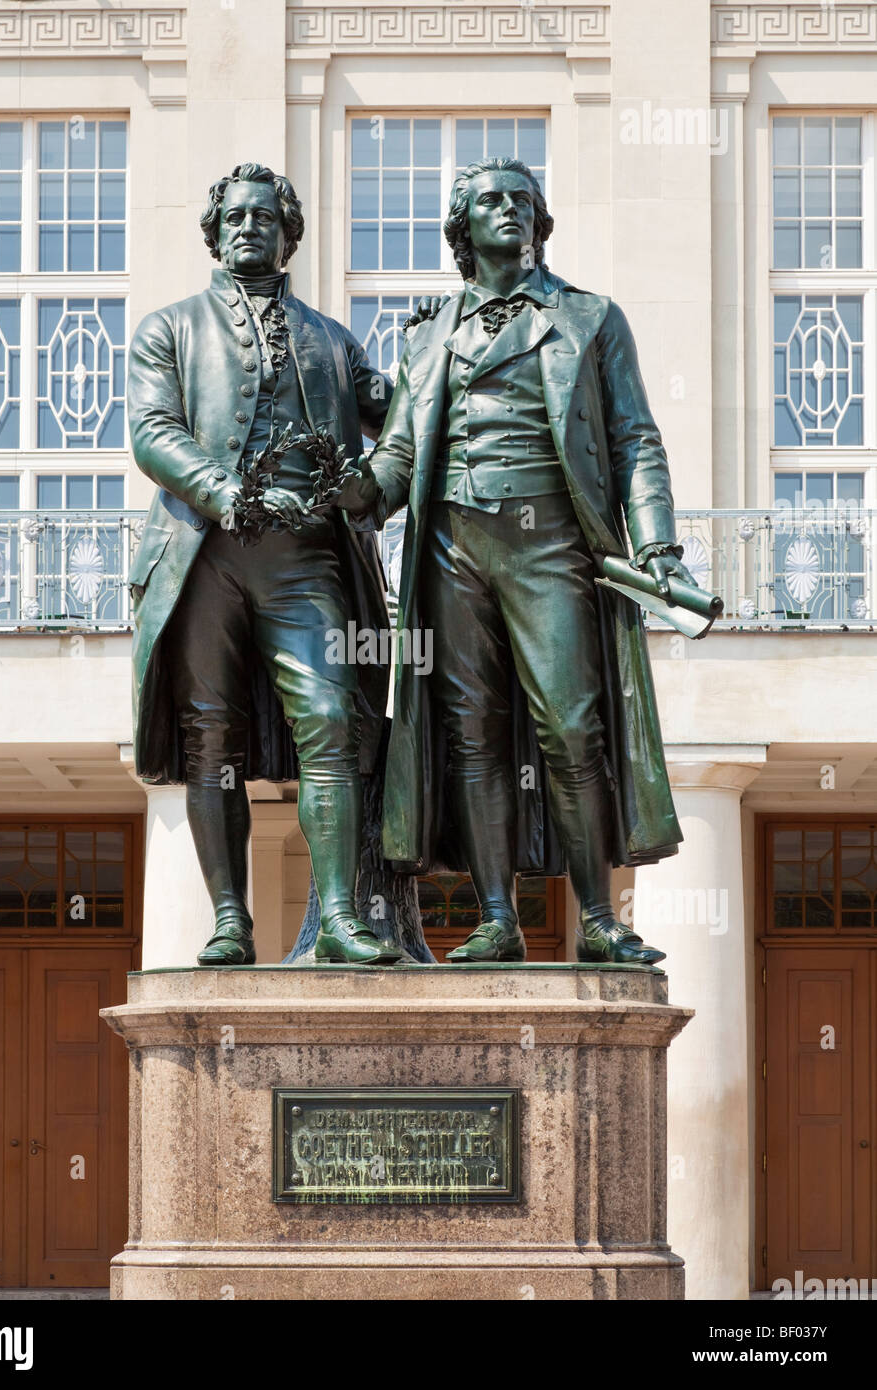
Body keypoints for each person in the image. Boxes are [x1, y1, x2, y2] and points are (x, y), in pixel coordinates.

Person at [344, 157, 694, 965]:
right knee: (472, 736)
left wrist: (658, 544)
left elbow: (635, 439)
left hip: (550, 547)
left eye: (522, 200)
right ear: (461, 228)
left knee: (571, 729)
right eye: (489, 201)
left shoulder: (588, 317)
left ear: (540, 222)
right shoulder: (428, 333)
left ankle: (598, 921)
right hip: (451, 549)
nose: (508, 210)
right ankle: (496, 916)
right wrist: (349, 492)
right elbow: (397, 455)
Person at [127, 162, 405, 965]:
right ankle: (228, 919)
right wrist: (230, 493)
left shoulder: (332, 340)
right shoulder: (168, 328)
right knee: (211, 738)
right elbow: (153, 432)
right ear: (215, 235)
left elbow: (405, 424)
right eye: (236, 218)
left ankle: (344, 918)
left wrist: (369, 486)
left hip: (306, 560)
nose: (250, 227)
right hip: (203, 553)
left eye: (265, 217)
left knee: (330, 721)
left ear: (289, 235)